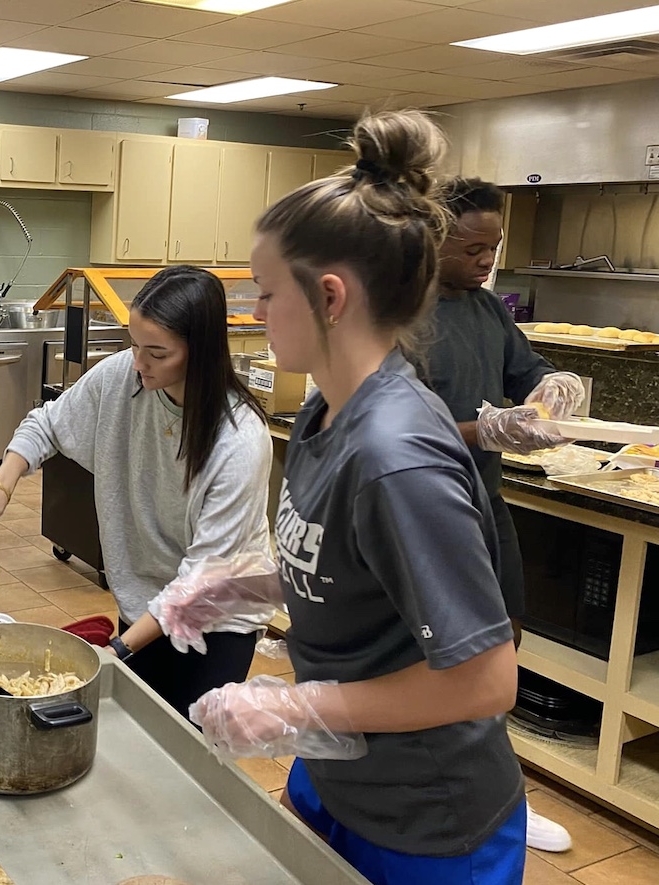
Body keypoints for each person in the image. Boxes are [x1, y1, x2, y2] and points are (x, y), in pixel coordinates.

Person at [152, 111, 527, 884]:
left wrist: (294, 707)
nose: (255, 316)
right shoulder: (327, 408)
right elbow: (353, 563)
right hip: (336, 777)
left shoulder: (397, 454)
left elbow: (486, 678)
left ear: (329, 297)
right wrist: (239, 586)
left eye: (264, 293)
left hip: (427, 820)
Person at [0, 265, 274, 718]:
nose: (139, 362)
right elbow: (47, 423)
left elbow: (200, 584)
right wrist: (2, 482)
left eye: (157, 352)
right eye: (133, 344)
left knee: (184, 753)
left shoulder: (239, 441)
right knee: (138, 730)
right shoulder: (122, 378)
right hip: (146, 604)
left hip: (216, 623)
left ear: (200, 352)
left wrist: (117, 651)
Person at [420, 176, 584, 854]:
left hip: (485, 502)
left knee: (501, 645)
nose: (486, 260)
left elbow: (526, 373)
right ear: (432, 240)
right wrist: (483, 432)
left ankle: (497, 787)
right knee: (436, 660)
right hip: (423, 508)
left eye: (495, 247)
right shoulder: (405, 314)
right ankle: (441, 787)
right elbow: (391, 427)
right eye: (472, 247)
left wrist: (551, 385)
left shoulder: (487, 311)